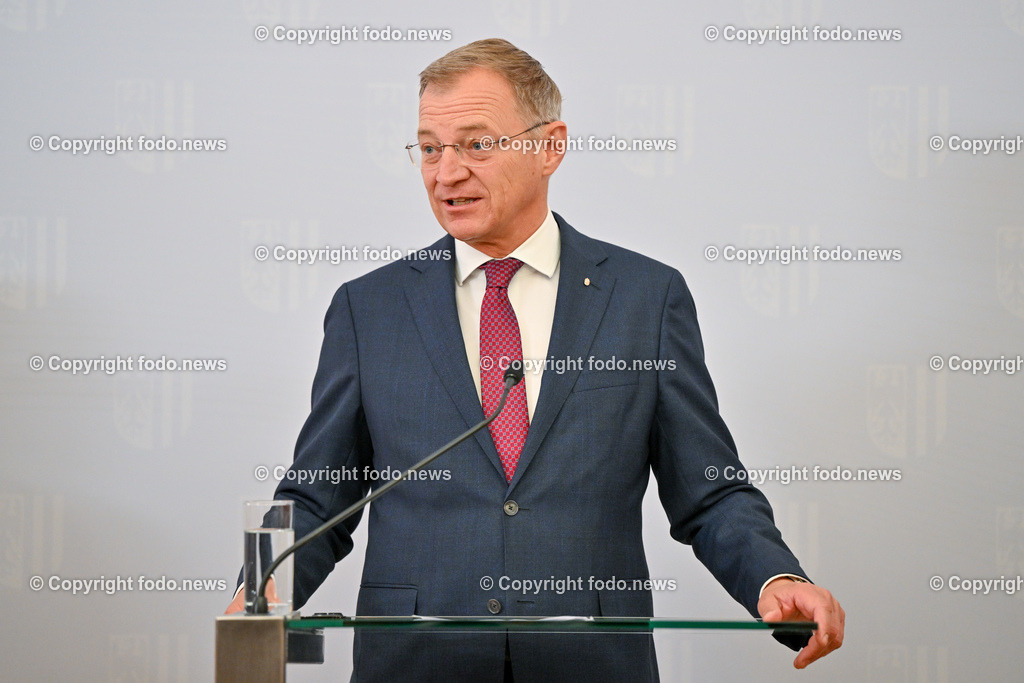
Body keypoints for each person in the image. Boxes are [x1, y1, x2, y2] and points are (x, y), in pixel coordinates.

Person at [227, 38, 844, 681]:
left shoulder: (645, 298)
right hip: (415, 661)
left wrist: (774, 575)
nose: (446, 173)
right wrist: (261, 591)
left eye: (476, 143)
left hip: (591, 659)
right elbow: (319, 496)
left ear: (550, 146)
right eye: (429, 147)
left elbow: (709, 492)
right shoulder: (368, 308)